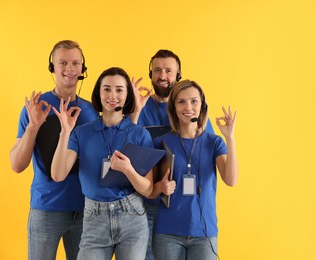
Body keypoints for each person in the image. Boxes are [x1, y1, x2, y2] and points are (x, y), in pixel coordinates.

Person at [51, 67, 154, 260]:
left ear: (127, 95)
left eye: (119, 90)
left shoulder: (139, 134)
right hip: (94, 217)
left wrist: (129, 170)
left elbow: (148, 189)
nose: (112, 95)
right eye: (106, 89)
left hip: (131, 216)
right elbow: (58, 174)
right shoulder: (81, 133)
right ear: (98, 93)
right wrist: (65, 132)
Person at [9, 40, 98, 260]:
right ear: (53, 67)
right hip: (46, 209)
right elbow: (17, 165)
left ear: (82, 69)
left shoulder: (92, 110)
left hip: (86, 210)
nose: (70, 68)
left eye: (76, 63)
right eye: (63, 63)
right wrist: (33, 126)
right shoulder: (36, 107)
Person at [130, 49, 215, 260]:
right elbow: (127, 148)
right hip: (147, 204)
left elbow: (207, 151)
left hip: (182, 208)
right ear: (151, 74)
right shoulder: (140, 107)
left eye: (168, 70)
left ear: (178, 74)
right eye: (157, 70)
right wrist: (134, 111)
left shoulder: (191, 109)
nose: (162, 75)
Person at [151, 79, 238, 260]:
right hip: (167, 233)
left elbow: (231, 180)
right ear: (173, 107)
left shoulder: (214, 142)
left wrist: (230, 138)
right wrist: (160, 187)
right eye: (181, 101)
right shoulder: (162, 142)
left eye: (194, 101)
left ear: (202, 106)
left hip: (204, 233)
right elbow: (150, 189)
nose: (188, 107)